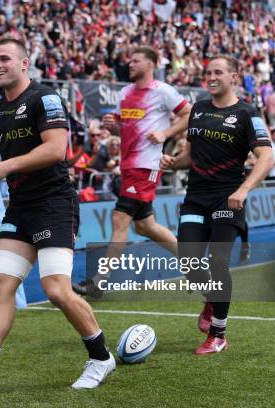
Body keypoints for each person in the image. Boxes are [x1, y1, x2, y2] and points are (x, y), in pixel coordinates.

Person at [0, 38, 115, 391]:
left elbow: (56, 149)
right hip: (21, 207)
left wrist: (6, 165)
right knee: (0, 285)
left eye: (4, 58)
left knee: (56, 289)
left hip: (53, 204)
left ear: (24, 63)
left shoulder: (44, 98)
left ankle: (101, 358)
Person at [160, 55, 273, 355]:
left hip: (228, 197)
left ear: (234, 77)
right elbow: (190, 156)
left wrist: (245, 189)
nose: (211, 76)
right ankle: (212, 298)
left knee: (217, 261)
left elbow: (267, 157)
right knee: (188, 260)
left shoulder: (247, 113)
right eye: (208, 72)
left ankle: (218, 334)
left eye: (218, 72)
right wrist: (173, 163)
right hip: (196, 197)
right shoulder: (198, 110)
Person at [75, 47, 191, 295]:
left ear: (150, 65)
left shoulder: (162, 91)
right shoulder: (125, 93)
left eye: (136, 60)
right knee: (145, 227)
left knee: (120, 219)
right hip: (128, 166)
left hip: (146, 166)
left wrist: (166, 133)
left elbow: (188, 114)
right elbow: (122, 130)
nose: (130, 64)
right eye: (130, 61)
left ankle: (99, 282)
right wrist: (112, 126)